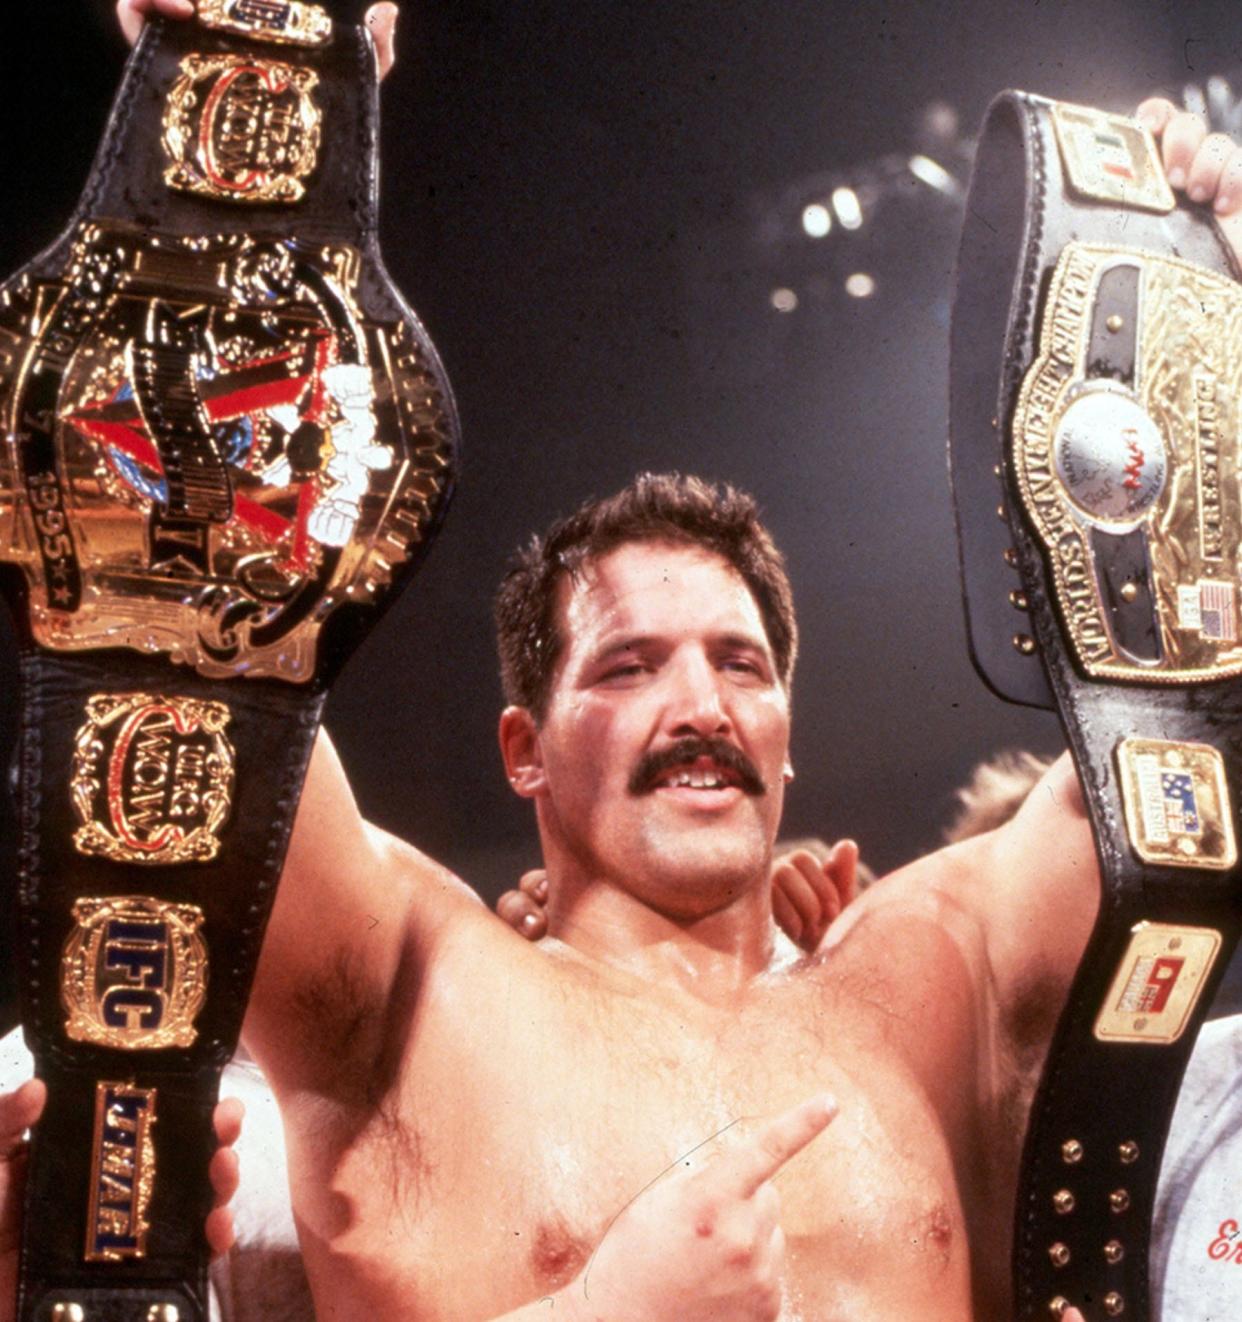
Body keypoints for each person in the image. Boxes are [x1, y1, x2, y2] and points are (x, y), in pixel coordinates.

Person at [8, 4, 1242, 1319]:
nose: (698, 706)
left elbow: (1184, 711)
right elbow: (173, 625)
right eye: (625, 668)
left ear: (786, 731)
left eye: (740, 664)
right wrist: (269, 132)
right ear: (521, 748)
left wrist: (1206, 320)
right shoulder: (405, 977)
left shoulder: (934, 976)